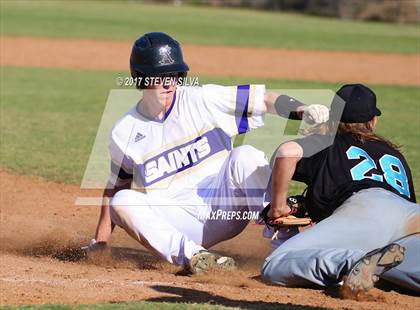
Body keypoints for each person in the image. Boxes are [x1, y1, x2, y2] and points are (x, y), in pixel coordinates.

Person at [87, 32, 329, 273]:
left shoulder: (202, 99)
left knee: (245, 155)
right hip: (180, 223)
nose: (168, 83)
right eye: (159, 76)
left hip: (225, 204)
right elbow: (117, 185)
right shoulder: (124, 131)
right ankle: (196, 258)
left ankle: (285, 246)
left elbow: (264, 100)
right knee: (122, 201)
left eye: (174, 75)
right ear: (140, 78)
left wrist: (300, 109)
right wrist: (100, 241)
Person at [261, 84, 419, 294]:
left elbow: (286, 152)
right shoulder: (393, 153)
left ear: (332, 118)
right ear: (373, 121)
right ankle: (387, 266)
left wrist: (278, 207)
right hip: (410, 216)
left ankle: (355, 261)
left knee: (275, 265)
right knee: (407, 269)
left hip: (365, 212)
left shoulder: (327, 141)